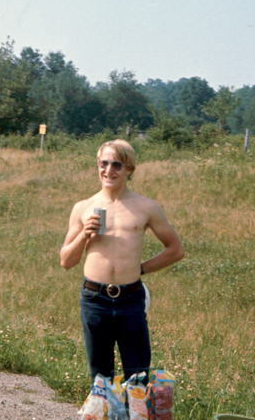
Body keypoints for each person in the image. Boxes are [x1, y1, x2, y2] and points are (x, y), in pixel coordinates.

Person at [60, 139, 184, 382]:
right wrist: (85, 234)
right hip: (94, 299)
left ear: (130, 170)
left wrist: (139, 270)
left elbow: (175, 250)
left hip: (130, 300)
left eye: (117, 165)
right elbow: (66, 260)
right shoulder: (84, 208)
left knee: (137, 376)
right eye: (103, 163)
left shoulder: (146, 207)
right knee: (100, 376)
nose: (108, 171)